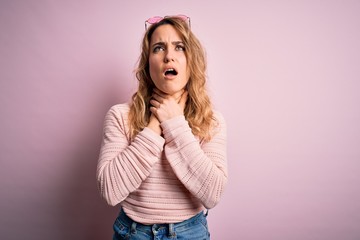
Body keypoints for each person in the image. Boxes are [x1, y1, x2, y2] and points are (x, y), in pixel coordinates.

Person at [96, 15, 228, 240]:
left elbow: (212, 194)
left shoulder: (211, 121)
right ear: (148, 65)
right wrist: (155, 124)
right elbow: (110, 190)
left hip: (191, 233)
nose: (169, 56)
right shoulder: (120, 116)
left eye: (179, 47)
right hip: (132, 233)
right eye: (158, 48)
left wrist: (175, 124)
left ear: (191, 61)